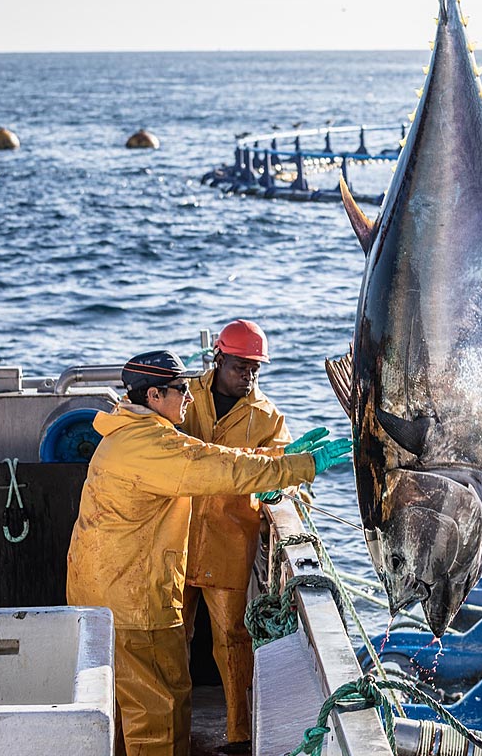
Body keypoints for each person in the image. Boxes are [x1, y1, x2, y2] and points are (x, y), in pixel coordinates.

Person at [66, 349, 349, 756]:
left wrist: (280, 456)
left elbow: (213, 458)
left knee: (124, 708)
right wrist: (299, 465)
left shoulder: (128, 433)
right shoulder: (153, 446)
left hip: (104, 593)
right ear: (153, 396)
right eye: (180, 389)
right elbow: (220, 469)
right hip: (134, 602)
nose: (188, 396)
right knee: (157, 714)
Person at [178, 319, 294, 752]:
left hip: (228, 542)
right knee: (172, 637)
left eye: (255, 369)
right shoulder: (185, 398)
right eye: (241, 366)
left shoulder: (267, 416)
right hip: (175, 539)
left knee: (232, 642)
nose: (248, 376)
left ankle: (239, 734)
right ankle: (171, 726)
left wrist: (283, 483)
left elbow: (284, 470)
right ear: (219, 358)